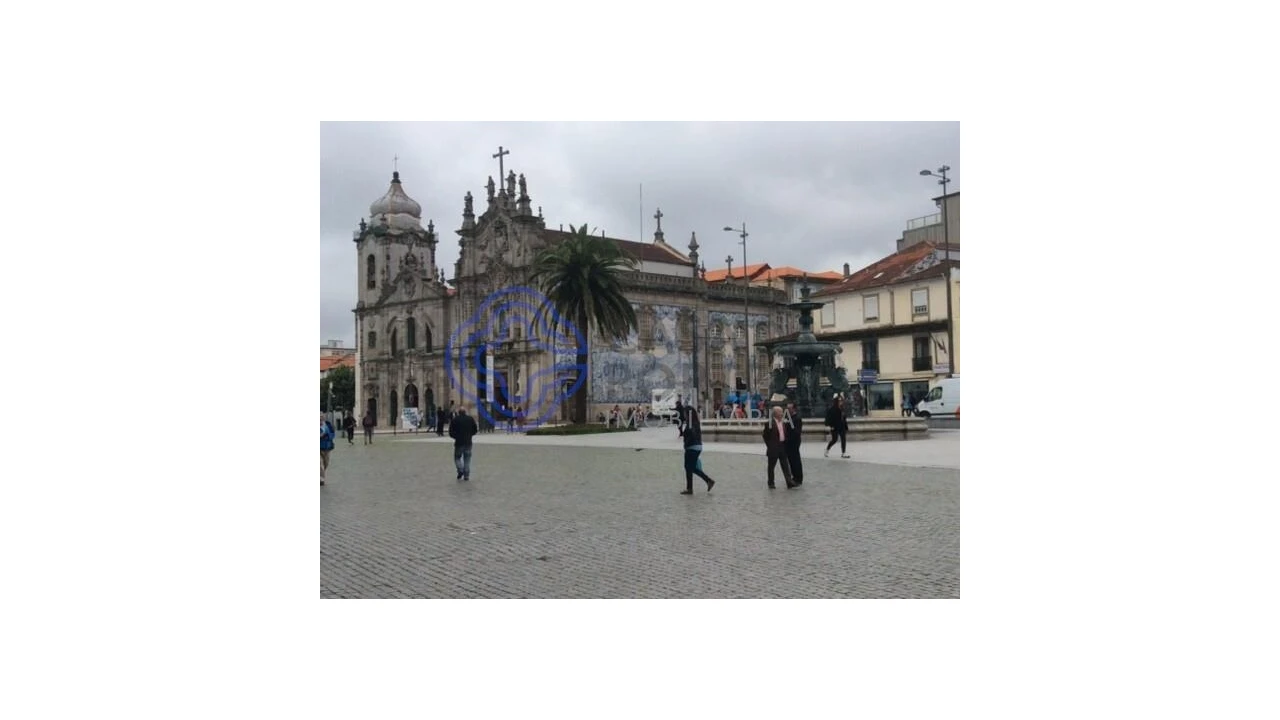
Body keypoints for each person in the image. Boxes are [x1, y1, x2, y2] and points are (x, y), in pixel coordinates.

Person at [679, 407, 715, 495]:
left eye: (685, 413)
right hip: (697, 447)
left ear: (688, 414)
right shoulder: (695, 422)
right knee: (692, 468)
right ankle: (708, 481)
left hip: (692, 447)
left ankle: (690, 488)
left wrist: (686, 442)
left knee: (688, 468)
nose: (684, 415)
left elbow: (691, 433)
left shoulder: (691, 423)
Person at [762, 406, 796, 489]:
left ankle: (789, 482)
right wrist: (770, 445)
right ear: (775, 413)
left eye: (782, 412)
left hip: (782, 446)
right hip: (773, 448)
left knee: (785, 466)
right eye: (780, 412)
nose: (782, 413)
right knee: (771, 467)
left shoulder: (783, 422)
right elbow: (765, 435)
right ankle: (771, 483)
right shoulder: (770, 423)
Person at [448, 405, 479, 481]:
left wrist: (456, 437)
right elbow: (475, 430)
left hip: (459, 442)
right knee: (467, 459)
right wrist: (469, 435)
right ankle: (466, 475)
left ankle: (460, 470)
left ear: (458, 412)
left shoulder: (455, 420)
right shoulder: (470, 419)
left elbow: (451, 432)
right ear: (465, 412)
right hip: (468, 442)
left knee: (457, 458)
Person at [783, 402, 804, 486]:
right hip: (789, 442)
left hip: (793, 442)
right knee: (791, 460)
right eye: (787, 408)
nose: (787, 410)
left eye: (789, 408)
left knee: (795, 460)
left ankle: (798, 478)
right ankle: (794, 476)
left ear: (794, 409)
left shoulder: (796, 418)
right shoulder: (789, 418)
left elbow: (796, 432)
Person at [320, 413, 336, 485]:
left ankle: (321, 473)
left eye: (321, 417)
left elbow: (333, 434)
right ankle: (321, 479)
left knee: (326, 463)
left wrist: (326, 435)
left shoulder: (328, 425)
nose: (320, 418)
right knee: (320, 464)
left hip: (327, 447)